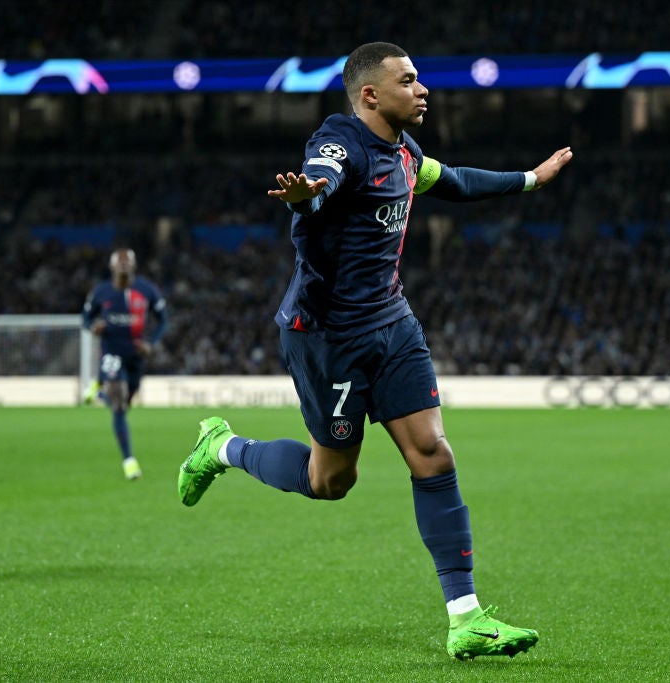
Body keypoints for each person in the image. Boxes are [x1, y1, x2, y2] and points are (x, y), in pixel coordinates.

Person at [178, 42, 572, 660]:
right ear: (371, 94)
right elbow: (322, 182)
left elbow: (457, 182)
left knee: (433, 455)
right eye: (408, 80)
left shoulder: (405, 152)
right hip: (328, 337)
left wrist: (530, 179)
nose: (423, 90)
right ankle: (223, 448)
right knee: (331, 481)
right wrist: (306, 195)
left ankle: (465, 618)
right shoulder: (339, 145)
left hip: (393, 324)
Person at [83, 247, 167, 480]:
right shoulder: (101, 292)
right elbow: (86, 318)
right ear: (111, 266)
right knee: (119, 405)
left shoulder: (146, 290)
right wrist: (92, 326)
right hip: (111, 353)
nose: (122, 264)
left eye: (126, 261)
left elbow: (163, 321)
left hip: (135, 357)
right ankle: (129, 460)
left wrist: (151, 343)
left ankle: (99, 390)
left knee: (124, 401)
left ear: (133, 265)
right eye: (118, 261)